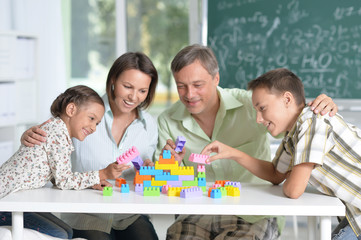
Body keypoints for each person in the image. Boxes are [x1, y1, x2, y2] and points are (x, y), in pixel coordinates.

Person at [156, 44, 338, 240]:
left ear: (216, 79)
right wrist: (169, 165)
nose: (189, 94)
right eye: (181, 86)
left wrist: (321, 105)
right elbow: (162, 181)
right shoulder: (167, 120)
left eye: (198, 85)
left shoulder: (251, 105)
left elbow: (292, 116)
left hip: (254, 214)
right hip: (197, 213)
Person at [201, 68, 361, 240]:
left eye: (262, 108)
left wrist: (291, 179)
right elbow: (275, 174)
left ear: (287, 99)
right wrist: (232, 153)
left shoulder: (312, 121)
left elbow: (293, 190)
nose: (258, 119)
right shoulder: (292, 136)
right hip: (354, 213)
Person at [20, 52, 159, 240]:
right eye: (127, 86)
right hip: (85, 212)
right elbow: (49, 138)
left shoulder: (149, 125)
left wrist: (153, 169)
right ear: (112, 81)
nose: (133, 97)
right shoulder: (83, 112)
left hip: (129, 214)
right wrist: (29, 136)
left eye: (142, 91)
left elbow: (146, 171)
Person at [0, 85, 129, 239]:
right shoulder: (57, 134)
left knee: (67, 231)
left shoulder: (58, 130)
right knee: (60, 234)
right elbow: (63, 181)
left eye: (97, 123)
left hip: (15, 199)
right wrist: (103, 173)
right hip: (5, 201)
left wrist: (90, 182)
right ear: (71, 110)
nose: (94, 128)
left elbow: (57, 176)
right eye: (92, 118)